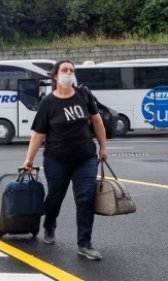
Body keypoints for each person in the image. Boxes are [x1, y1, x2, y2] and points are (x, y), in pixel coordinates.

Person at [23, 60, 108, 261]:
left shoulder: (83, 94)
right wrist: (29, 159)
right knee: (54, 197)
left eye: (71, 70)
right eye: (64, 70)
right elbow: (38, 134)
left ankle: (84, 244)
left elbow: (96, 120)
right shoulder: (48, 103)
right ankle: (49, 225)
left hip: (85, 158)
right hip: (56, 160)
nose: (68, 73)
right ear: (55, 76)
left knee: (85, 199)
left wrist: (103, 147)